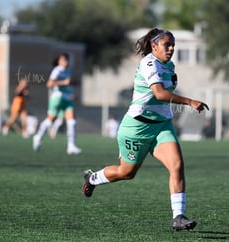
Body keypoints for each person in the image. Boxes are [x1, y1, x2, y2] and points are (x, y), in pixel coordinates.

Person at [81, 28, 209, 231]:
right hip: (137, 128)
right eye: (167, 44)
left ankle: (178, 217)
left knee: (177, 165)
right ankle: (93, 178)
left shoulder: (169, 65)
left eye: (173, 44)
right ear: (154, 46)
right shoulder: (148, 63)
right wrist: (190, 101)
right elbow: (159, 93)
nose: (171, 48)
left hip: (161, 126)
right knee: (127, 173)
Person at [32, 53, 82, 154]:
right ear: (59, 61)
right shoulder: (57, 70)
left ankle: (71, 146)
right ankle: (38, 136)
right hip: (57, 98)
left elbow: (67, 84)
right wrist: (63, 83)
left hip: (67, 98)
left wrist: (72, 85)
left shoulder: (68, 70)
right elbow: (49, 84)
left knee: (72, 121)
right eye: (63, 60)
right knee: (50, 120)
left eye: (67, 60)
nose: (65, 62)